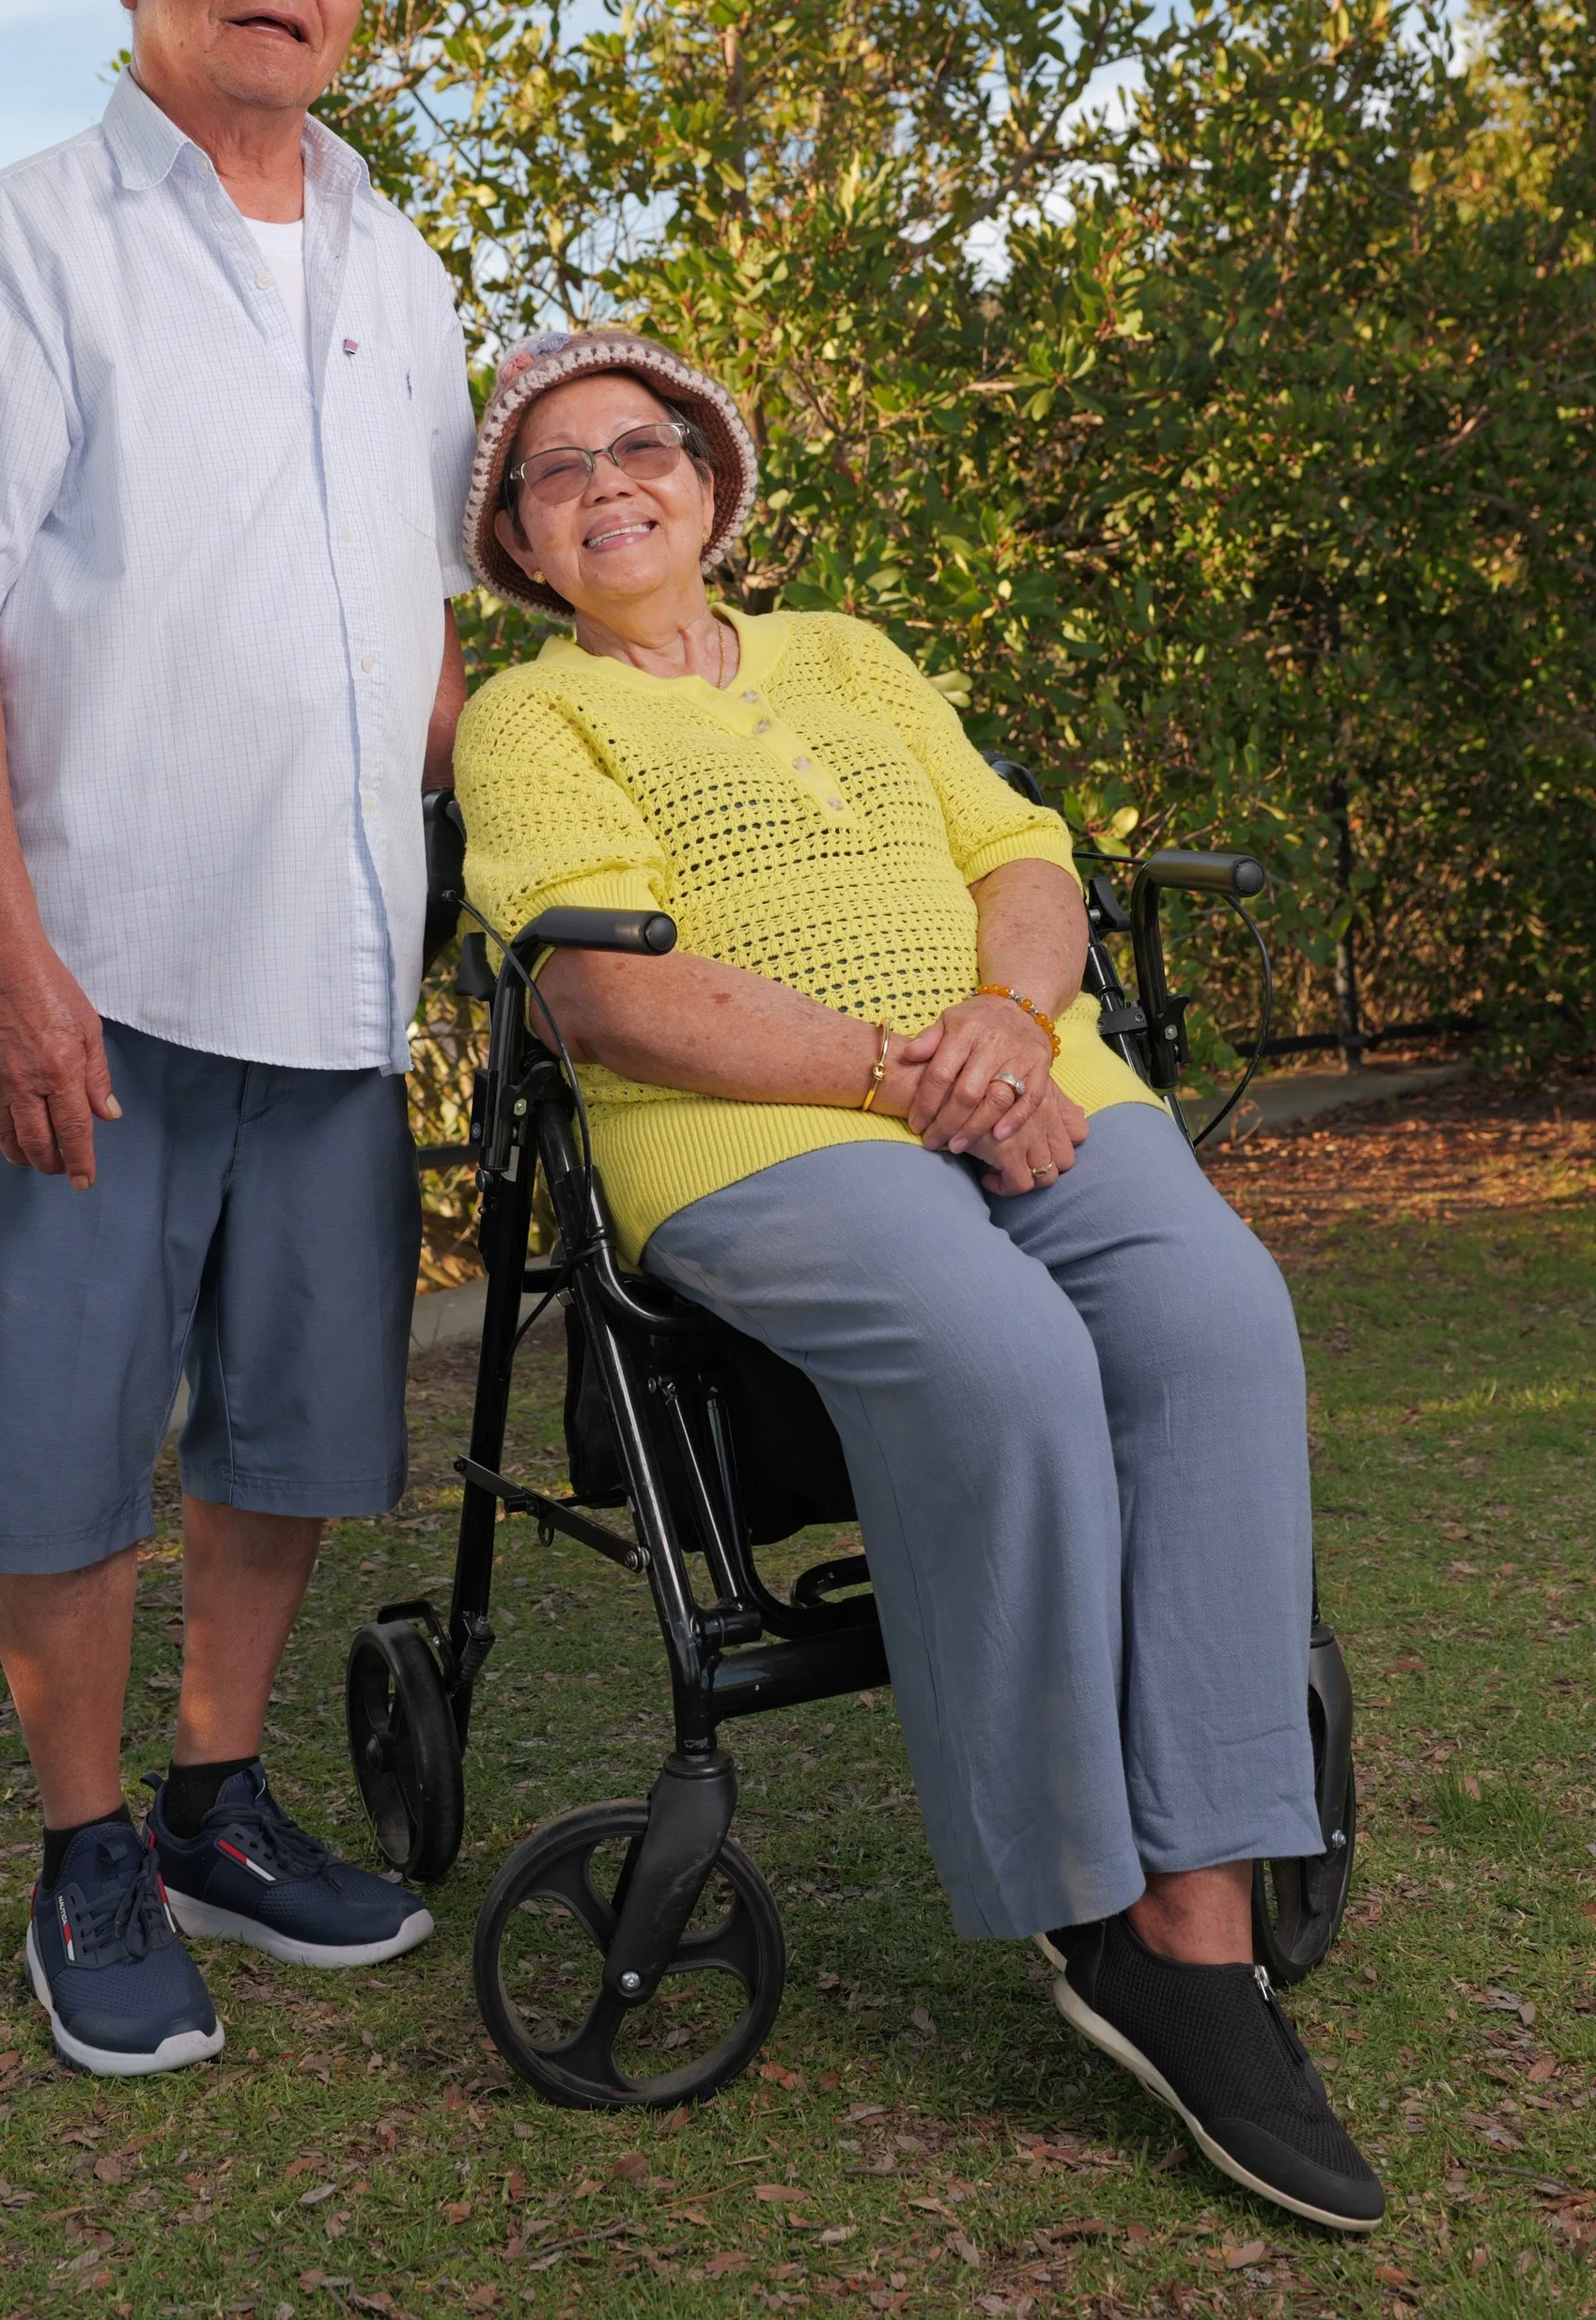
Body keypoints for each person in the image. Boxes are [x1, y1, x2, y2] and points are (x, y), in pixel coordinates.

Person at [450, 322, 1384, 2231]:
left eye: (646, 446)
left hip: (1026, 1073)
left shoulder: (853, 656)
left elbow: (1022, 859)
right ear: (525, 543)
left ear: (710, 487)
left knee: (1215, 1321)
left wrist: (1001, 1025)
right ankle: (1090, 1900)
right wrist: (900, 1076)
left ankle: (1193, 1910)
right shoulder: (534, 718)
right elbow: (602, 990)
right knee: (1007, 1360)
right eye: (560, 469)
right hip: (757, 1131)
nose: (612, 481)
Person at [0, 0, 475, 2077]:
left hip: (332, 972)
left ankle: (215, 1797)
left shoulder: (409, 266)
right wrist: (2, 959)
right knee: (60, 1431)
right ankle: (86, 1844)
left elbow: (421, 612)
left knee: (292, 1429)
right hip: (81, 966)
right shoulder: (14, 242)